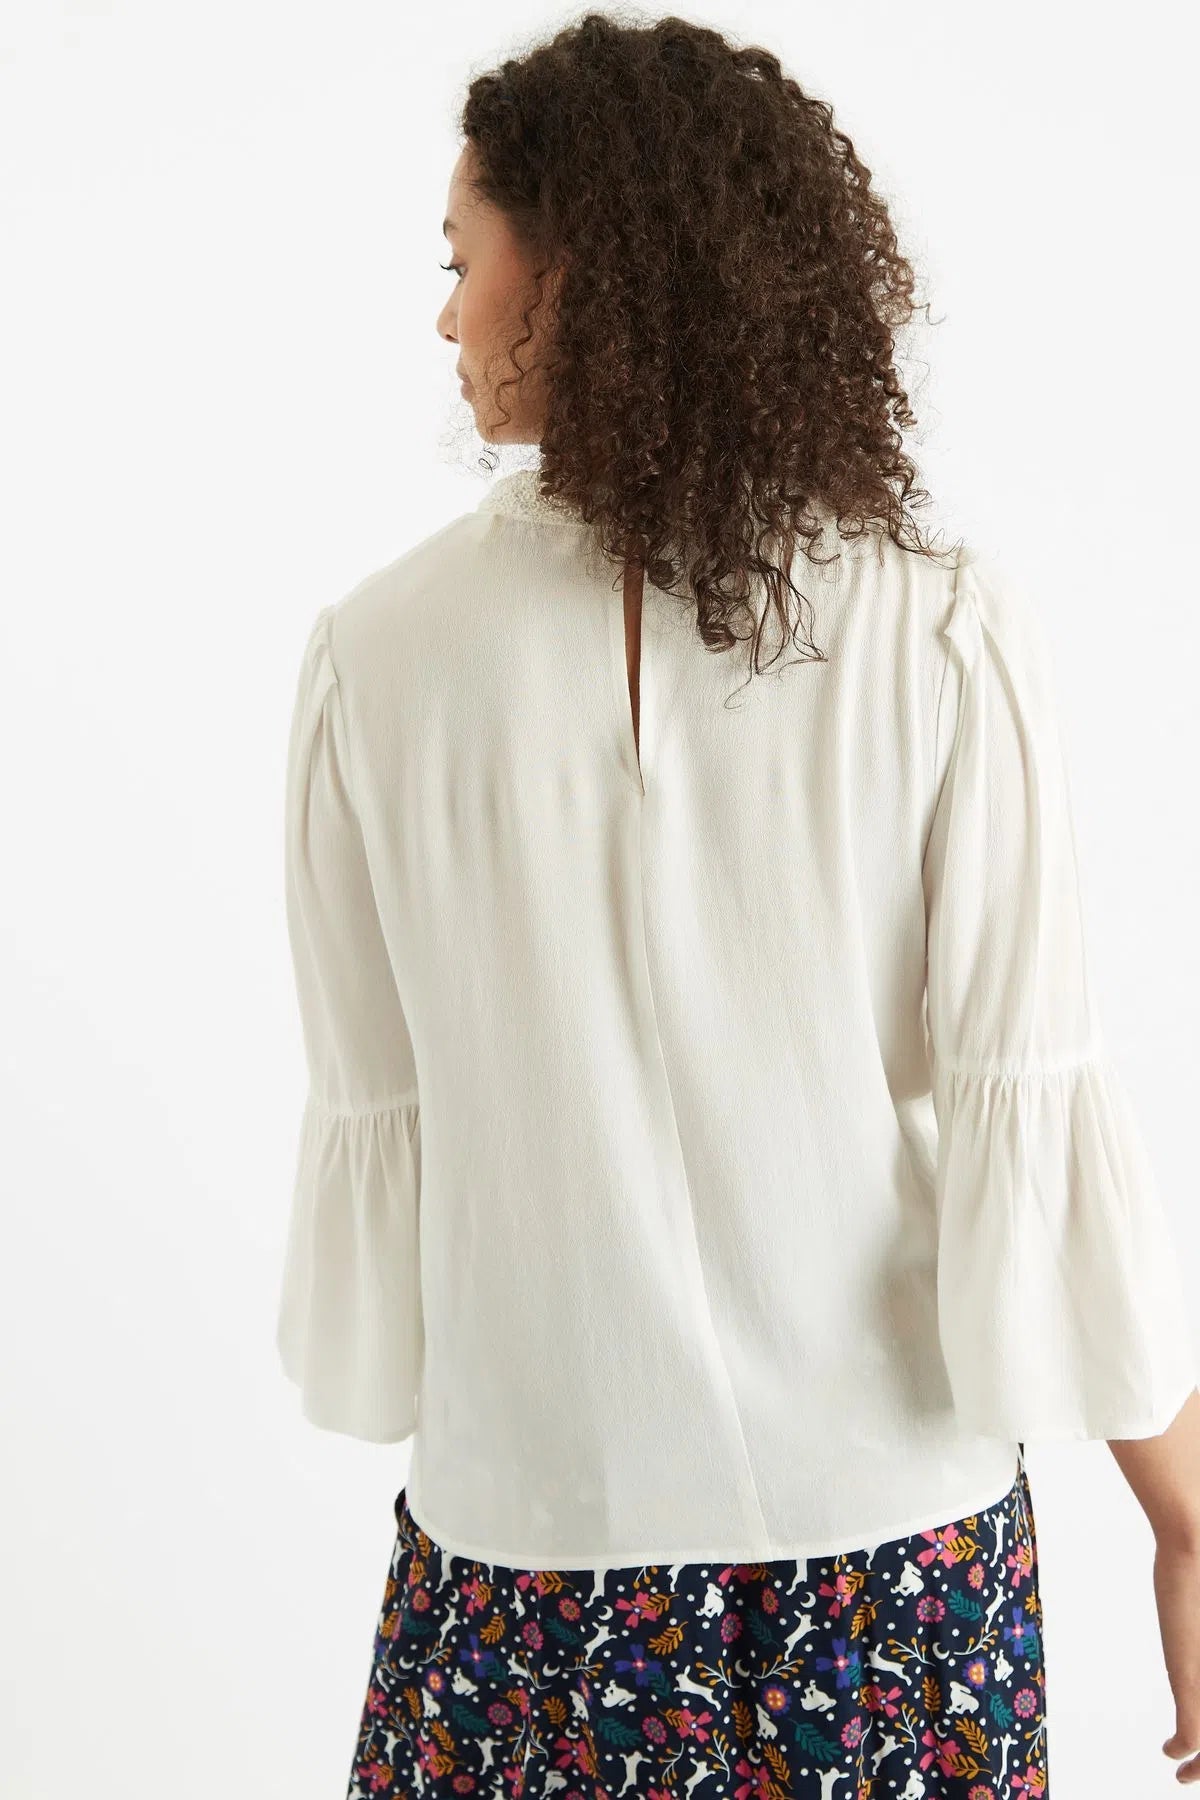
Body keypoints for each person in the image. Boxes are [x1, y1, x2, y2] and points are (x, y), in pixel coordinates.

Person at [274, 15, 1200, 1797]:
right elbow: (1029, 1109)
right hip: (891, 1572)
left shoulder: (373, 661)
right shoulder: (939, 629)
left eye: (461, 261)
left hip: (525, 1566)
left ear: (571, 272)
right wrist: (1184, 1516)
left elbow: (387, 1110)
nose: (446, 318)